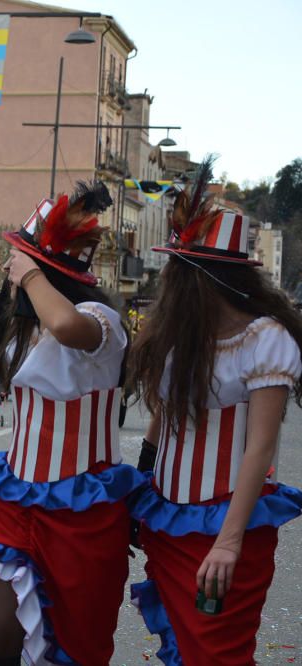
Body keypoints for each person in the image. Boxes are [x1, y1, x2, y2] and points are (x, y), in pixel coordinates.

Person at [0, 183, 144, 665]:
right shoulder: (23, 326)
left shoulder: (99, 319)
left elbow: (65, 327)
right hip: (17, 500)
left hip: (83, 511)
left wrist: (32, 272)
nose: (7, 268)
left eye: (14, 258)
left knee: (76, 649)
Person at [127, 159, 302, 665]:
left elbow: (260, 445)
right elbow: (162, 420)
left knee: (218, 654)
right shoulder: (181, 339)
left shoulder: (264, 338)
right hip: (170, 522)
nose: (169, 281)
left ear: (203, 277)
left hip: (229, 526)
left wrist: (228, 543)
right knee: (184, 649)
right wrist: (139, 496)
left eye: (178, 269)